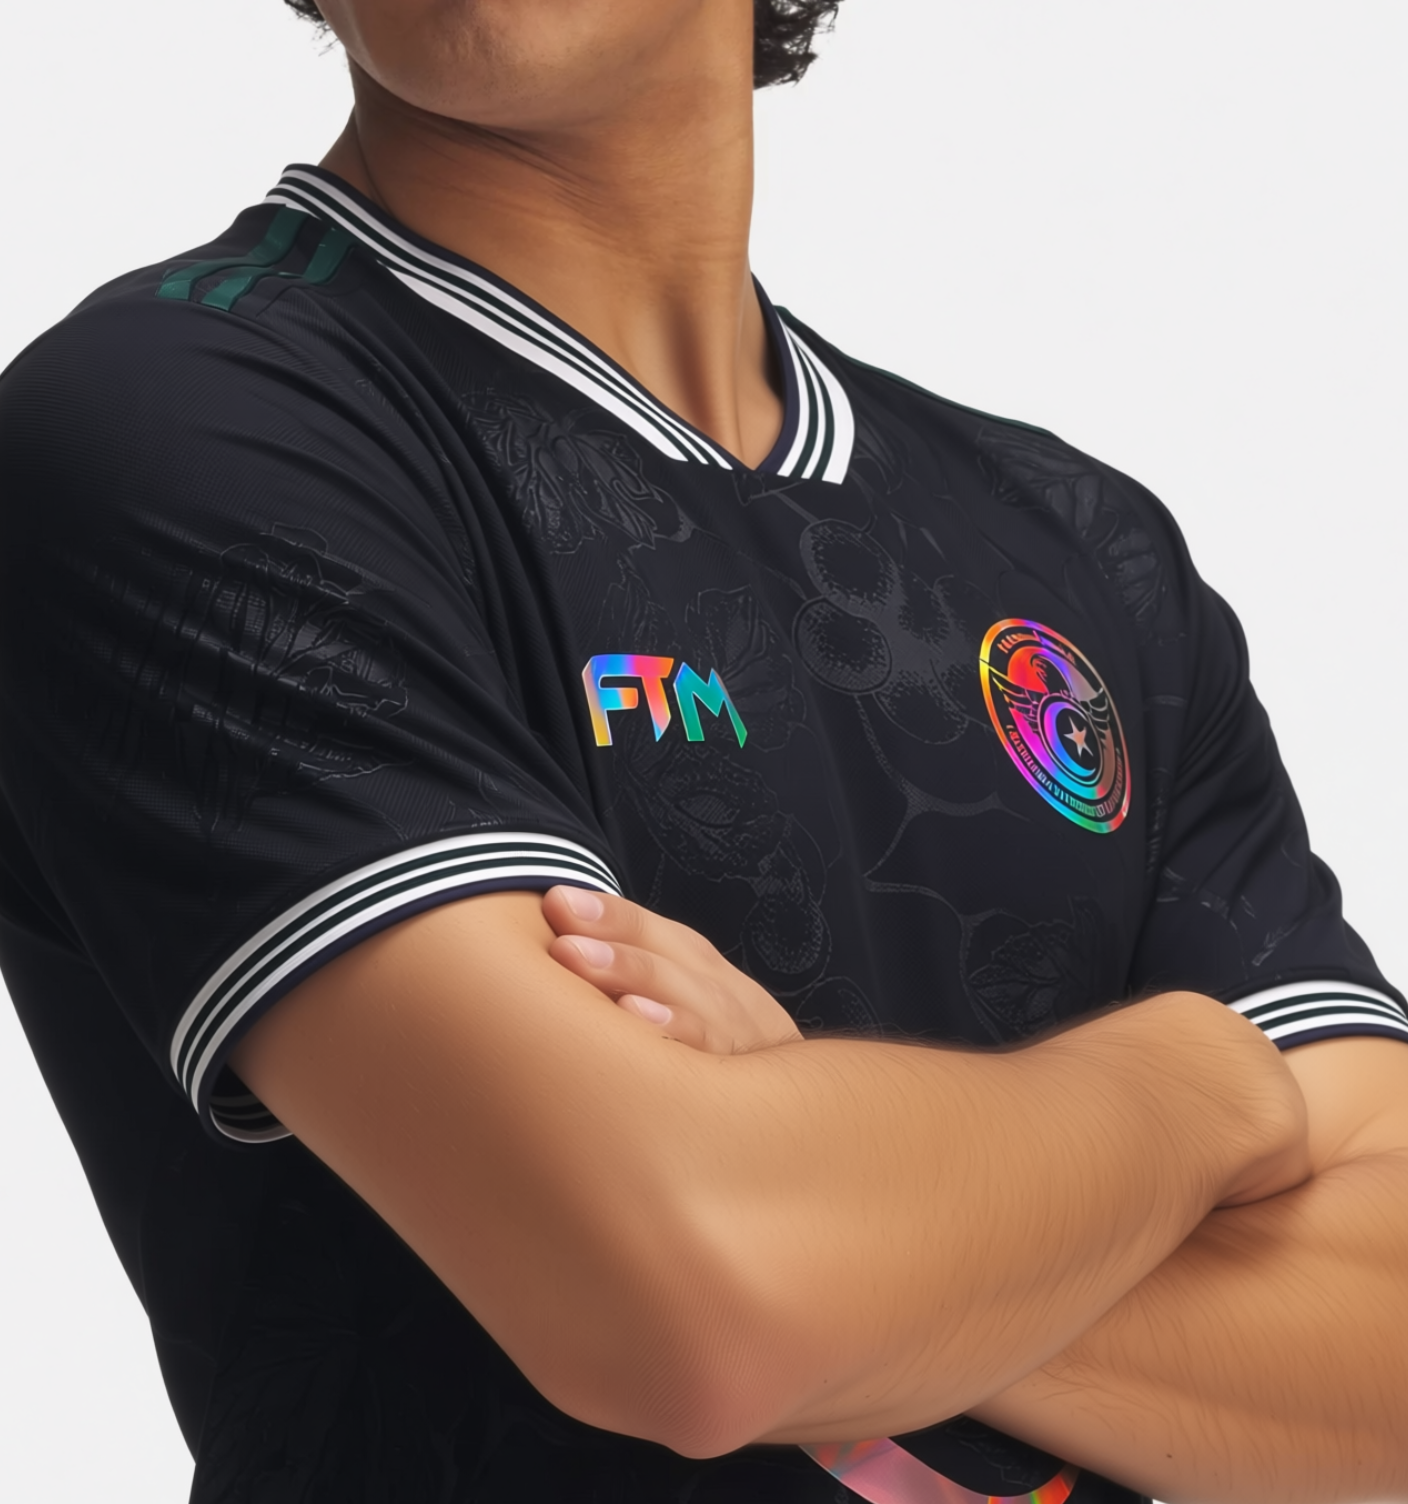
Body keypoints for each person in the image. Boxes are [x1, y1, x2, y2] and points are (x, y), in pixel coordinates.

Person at [1, 3, 1406, 1502]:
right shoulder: (185, 425)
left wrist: (834, 1222)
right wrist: (1193, 1087)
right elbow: (693, 1311)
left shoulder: (1081, 547)